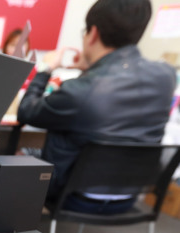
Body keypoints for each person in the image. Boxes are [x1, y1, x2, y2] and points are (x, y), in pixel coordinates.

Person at [17, 0, 176, 213]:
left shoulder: (82, 89)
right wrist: (91, 69)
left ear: (93, 33)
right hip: (130, 195)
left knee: (17, 152)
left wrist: (46, 68)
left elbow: (26, 111)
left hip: (72, 196)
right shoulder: (166, 76)